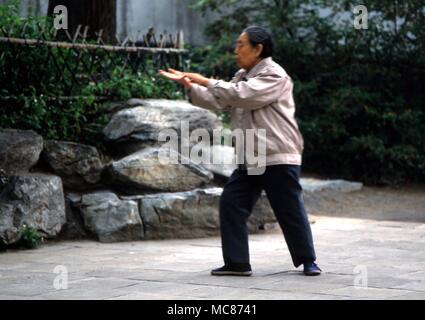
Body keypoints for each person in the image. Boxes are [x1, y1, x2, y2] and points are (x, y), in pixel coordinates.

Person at [159, 26, 321, 276]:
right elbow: (218, 100)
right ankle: (237, 263)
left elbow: (244, 95)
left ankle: (308, 260)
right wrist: (190, 86)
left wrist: (206, 80)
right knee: (232, 202)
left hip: (277, 153)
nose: (236, 51)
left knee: (288, 208)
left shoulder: (274, 74)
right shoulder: (242, 75)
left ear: (258, 49)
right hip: (251, 156)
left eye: (241, 45)